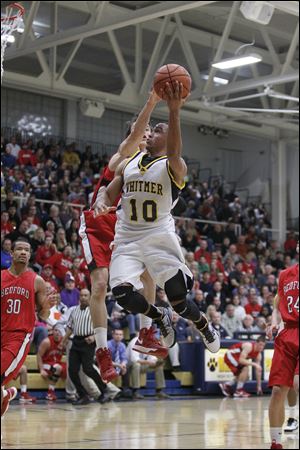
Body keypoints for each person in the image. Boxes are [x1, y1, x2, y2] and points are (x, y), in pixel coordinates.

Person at [94, 81, 220, 355]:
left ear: (168, 139)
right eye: (150, 131)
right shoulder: (128, 163)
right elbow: (109, 190)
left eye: (158, 131)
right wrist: (102, 202)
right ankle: (158, 317)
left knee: (178, 300)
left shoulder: (174, 165)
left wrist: (174, 112)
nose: (150, 134)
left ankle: (203, 324)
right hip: (127, 237)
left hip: (158, 236)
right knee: (122, 294)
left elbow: (175, 150)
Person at [79, 90, 165, 383]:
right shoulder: (124, 155)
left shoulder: (153, 168)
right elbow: (133, 139)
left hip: (125, 229)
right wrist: (151, 103)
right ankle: (102, 352)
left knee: (149, 273)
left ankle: (145, 331)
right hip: (97, 225)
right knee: (100, 285)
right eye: (144, 132)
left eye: (151, 133)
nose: (147, 136)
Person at [1, 238, 56, 416]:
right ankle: (6, 394)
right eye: (19, 249)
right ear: (11, 253)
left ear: (30, 255)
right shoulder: (1, 277)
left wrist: (48, 304)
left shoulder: (36, 281)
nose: (23, 252)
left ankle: (5, 393)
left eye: (27, 250)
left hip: (18, 337)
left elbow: (44, 314)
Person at [267, 249, 299, 450]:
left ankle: (294, 417)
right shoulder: (285, 274)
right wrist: (273, 322)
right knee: (278, 390)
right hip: (287, 333)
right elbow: (276, 305)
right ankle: (276, 443)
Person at [59, 289, 110, 405]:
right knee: (72, 370)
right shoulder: (74, 310)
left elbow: (103, 326)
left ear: (90, 297)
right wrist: (63, 341)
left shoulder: (95, 310)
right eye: (81, 295)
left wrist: (94, 336)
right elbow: (70, 327)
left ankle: (104, 390)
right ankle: (83, 395)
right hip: (76, 340)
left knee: (88, 368)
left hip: (89, 341)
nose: (83, 297)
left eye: (86, 295)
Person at [37, 323, 67, 402]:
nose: (57, 333)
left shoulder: (63, 342)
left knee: (71, 368)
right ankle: (50, 393)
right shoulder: (47, 341)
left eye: (59, 331)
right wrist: (41, 370)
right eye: (56, 330)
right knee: (58, 367)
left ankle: (72, 392)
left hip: (56, 363)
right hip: (45, 363)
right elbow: (39, 355)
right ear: (52, 331)